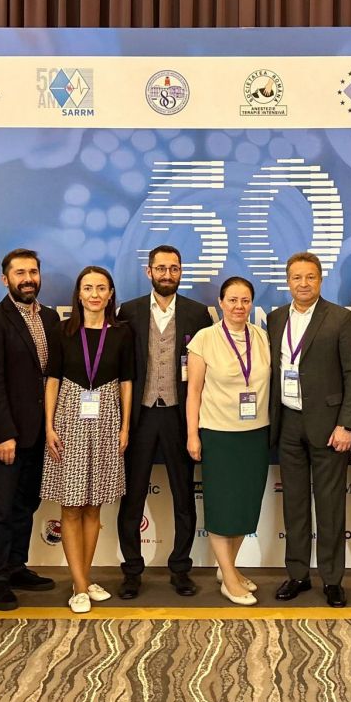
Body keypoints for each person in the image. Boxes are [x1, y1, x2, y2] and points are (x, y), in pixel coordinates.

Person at [268, 252, 351, 608]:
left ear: (321, 280)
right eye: (297, 277)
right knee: (293, 504)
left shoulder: (341, 318)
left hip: (329, 426)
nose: (303, 283)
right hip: (288, 422)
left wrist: (346, 424)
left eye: (310, 277)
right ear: (288, 281)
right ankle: (297, 574)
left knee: (329, 505)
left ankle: (332, 579)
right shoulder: (276, 319)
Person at [115, 245, 213, 599]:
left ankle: (180, 568)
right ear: (149, 272)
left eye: (174, 268)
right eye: (161, 268)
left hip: (178, 415)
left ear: (181, 272)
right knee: (132, 497)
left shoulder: (198, 313)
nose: (167, 274)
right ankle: (131, 571)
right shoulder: (129, 311)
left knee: (184, 495)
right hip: (140, 416)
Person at [0, 249, 61, 611]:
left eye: (33, 272)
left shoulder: (51, 318)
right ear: (5, 279)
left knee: (26, 503)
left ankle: (15, 566)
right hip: (6, 435)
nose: (28, 279)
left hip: (40, 433)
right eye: (20, 272)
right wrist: (3, 433)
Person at [43, 265, 134, 614]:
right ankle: (79, 585)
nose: (94, 294)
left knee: (94, 506)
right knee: (70, 505)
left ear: (110, 295)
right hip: (69, 418)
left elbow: (127, 382)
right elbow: (52, 379)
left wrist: (125, 427)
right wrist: (49, 425)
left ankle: (83, 577)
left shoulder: (122, 333)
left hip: (107, 419)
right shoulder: (63, 331)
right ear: (78, 295)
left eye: (101, 288)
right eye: (88, 288)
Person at [185, 276, 271, 606]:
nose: (239, 306)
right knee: (222, 508)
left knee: (244, 507)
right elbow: (193, 392)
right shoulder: (204, 339)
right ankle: (229, 579)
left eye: (245, 300)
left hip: (255, 434)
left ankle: (229, 569)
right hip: (218, 434)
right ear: (220, 303)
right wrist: (192, 434)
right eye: (232, 300)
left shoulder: (261, 336)